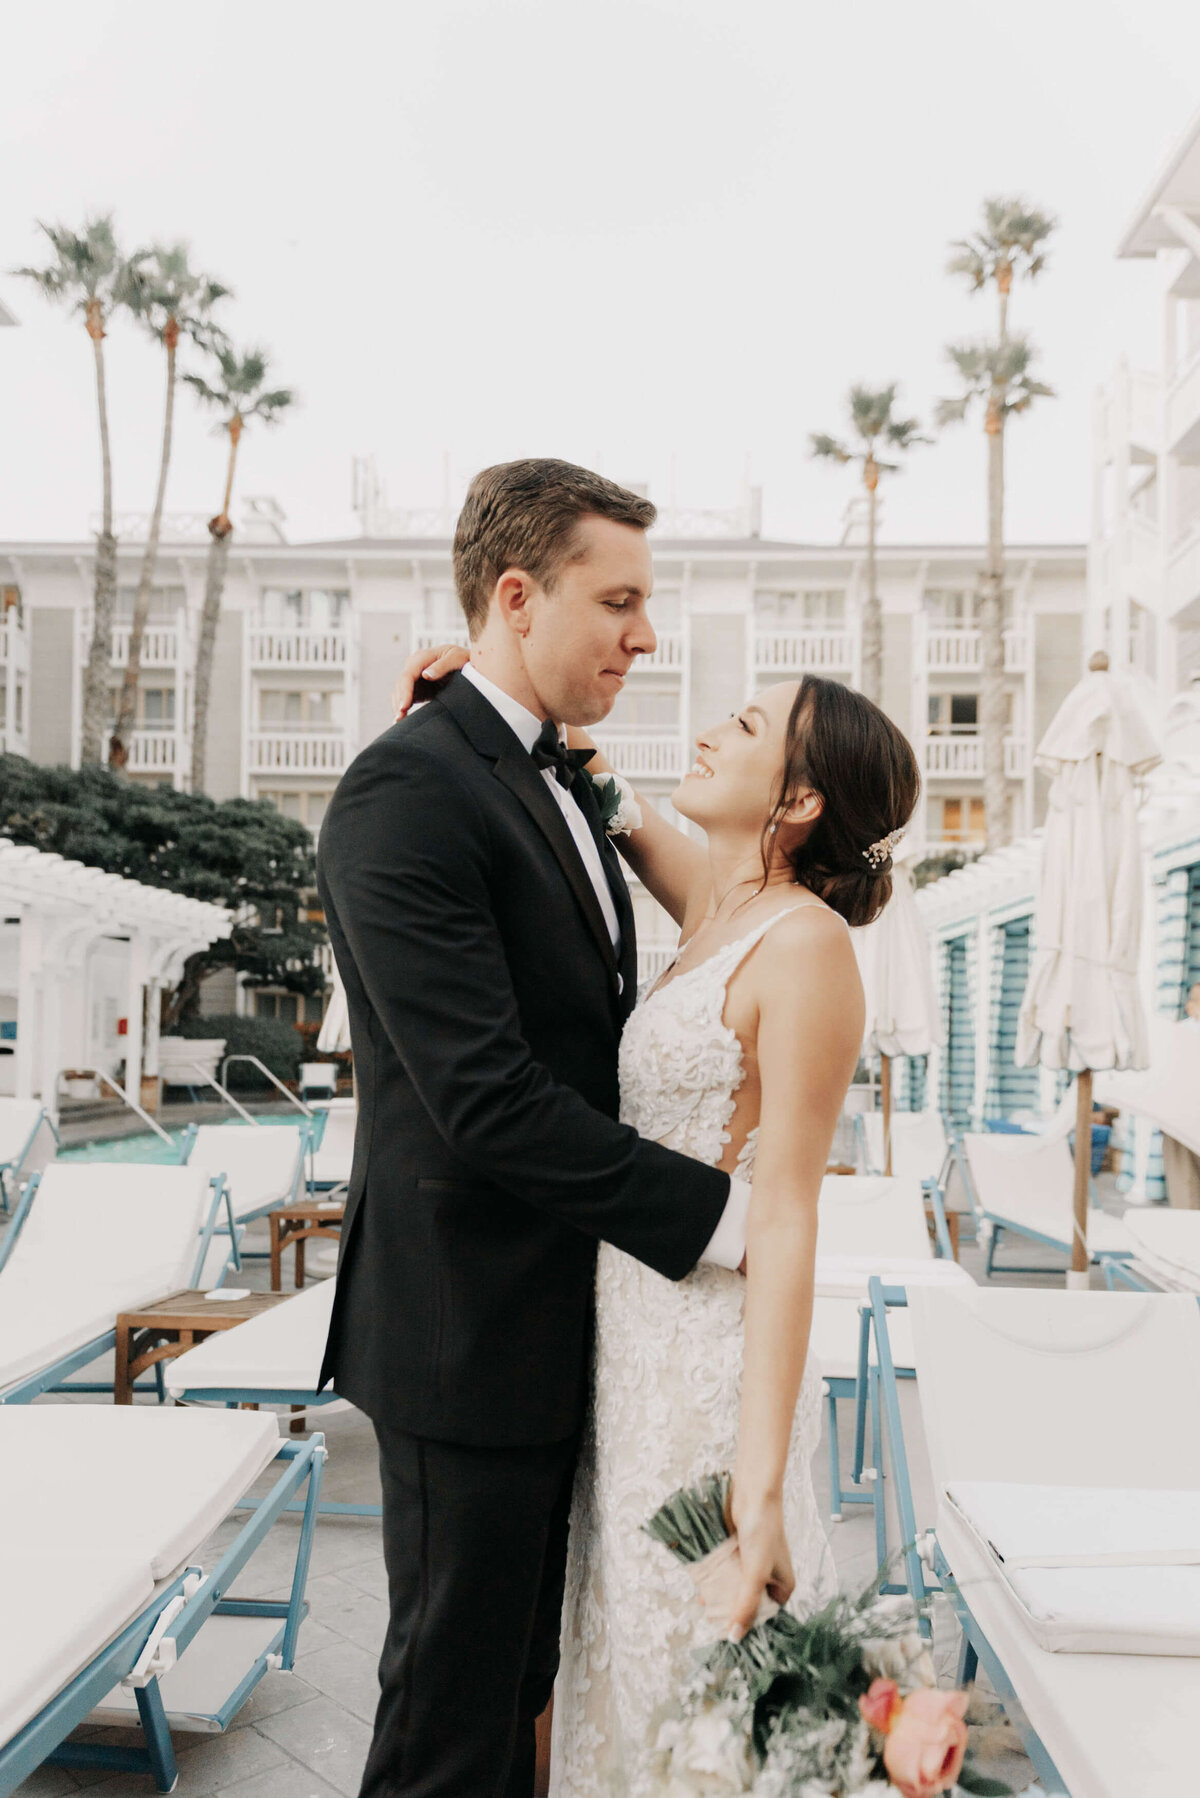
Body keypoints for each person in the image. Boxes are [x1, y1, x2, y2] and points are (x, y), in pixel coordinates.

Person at [402, 644, 920, 1794]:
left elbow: (786, 1219)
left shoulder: (811, 950)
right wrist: (497, 690)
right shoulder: (723, 910)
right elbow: (622, 806)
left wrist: (762, 1488)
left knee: (699, 1703)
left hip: (703, 1374)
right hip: (622, 1365)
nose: (706, 734)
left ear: (797, 801)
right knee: (625, 1682)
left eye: (741, 725)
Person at [318, 459, 757, 1798]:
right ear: (517, 595)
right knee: (450, 1721)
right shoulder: (410, 791)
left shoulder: (545, 775)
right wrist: (726, 1218)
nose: (647, 634)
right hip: (464, 1333)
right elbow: (489, 1098)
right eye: (616, 600)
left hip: (562, 1324)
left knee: (518, 1700)